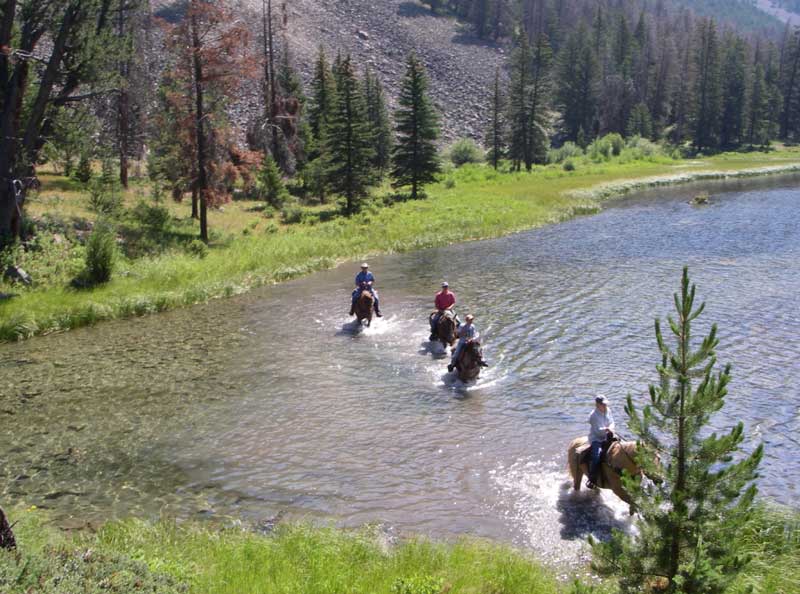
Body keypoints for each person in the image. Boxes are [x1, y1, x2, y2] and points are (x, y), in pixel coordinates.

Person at [586, 395, 615, 489]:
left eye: (606, 404)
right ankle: (592, 478)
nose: (605, 406)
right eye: (603, 404)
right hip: (596, 438)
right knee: (597, 456)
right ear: (597, 405)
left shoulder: (608, 410)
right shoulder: (593, 416)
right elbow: (597, 431)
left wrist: (610, 428)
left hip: (608, 434)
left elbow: (612, 422)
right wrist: (606, 429)